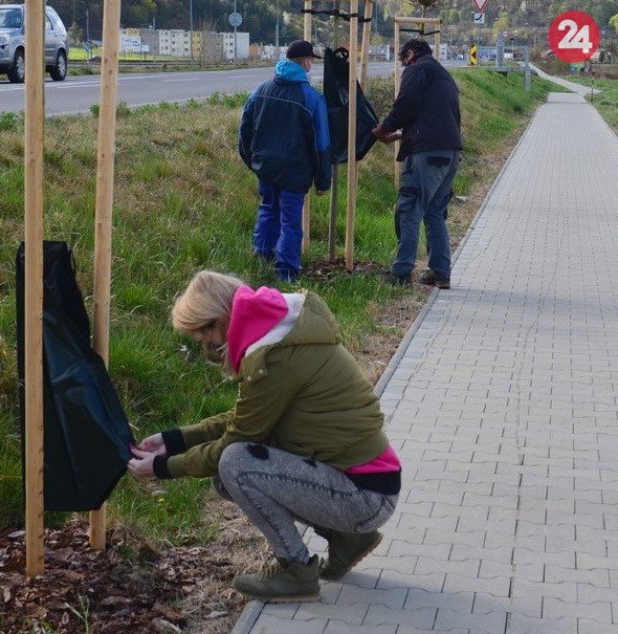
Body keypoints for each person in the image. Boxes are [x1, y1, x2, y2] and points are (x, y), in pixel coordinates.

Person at [127, 271, 401, 602]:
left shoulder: (275, 357)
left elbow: (236, 439)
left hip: (366, 496)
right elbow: (245, 418)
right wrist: (175, 439)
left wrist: (163, 468)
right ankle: (347, 538)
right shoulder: (278, 333)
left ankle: (296, 569)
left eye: (204, 338)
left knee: (235, 464)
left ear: (219, 321)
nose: (207, 348)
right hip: (362, 482)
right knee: (225, 477)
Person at [239, 40, 332, 283]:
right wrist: (323, 181)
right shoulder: (312, 98)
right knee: (291, 220)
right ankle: (287, 272)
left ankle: (261, 259)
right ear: (307, 63)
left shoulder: (261, 89)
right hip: (295, 171)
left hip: (266, 167)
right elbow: (322, 144)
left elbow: (244, 128)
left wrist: (251, 160)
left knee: (268, 210)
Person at [372, 39, 462, 290]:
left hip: (426, 154)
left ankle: (402, 272)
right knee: (435, 213)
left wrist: (385, 128)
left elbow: (406, 104)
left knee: (409, 210)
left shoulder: (417, 69)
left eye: (403, 61)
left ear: (411, 53)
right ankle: (441, 273)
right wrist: (403, 134)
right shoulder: (444, 75)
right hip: (451, 153)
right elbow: (436, 116)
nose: (404, 66)